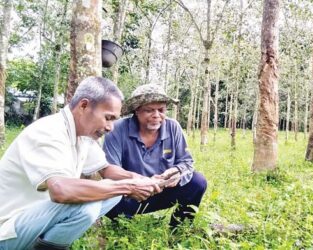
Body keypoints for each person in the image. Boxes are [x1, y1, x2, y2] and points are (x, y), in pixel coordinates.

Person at [0, 77, 161, 250]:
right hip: (8, 230)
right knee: (83, 209)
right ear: (83, 106)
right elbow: (61, 191)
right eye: (108, 118)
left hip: (35, 221)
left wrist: (143, 180)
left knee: (114, 191)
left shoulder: (82, 135)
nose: (110, 127)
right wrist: (129, 187)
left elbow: (107, 170)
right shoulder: (48, 132)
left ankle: (45, 244)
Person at [103, 84, 207, 228]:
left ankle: (179, 229)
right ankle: (122, 224)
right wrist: (140, 181)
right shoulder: (118, 129)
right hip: (130, 193)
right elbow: (109, 169)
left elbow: (187, 162)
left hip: (161, 191)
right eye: (149, 110)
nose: (156, 115)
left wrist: (177, 172)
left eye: (161, 110)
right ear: (136, 110)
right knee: (104, 193)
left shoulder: (173, 127)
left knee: (197, 182)